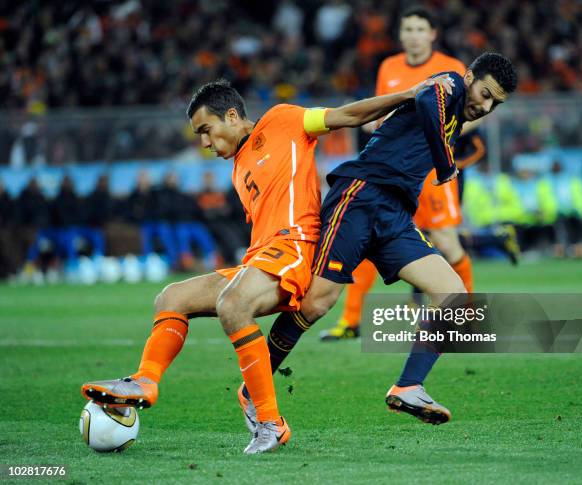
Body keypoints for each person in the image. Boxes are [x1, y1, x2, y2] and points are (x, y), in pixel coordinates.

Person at [80, 76, 453, 453]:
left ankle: (270, 423)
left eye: (207, 131)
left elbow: (347, 115)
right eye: (199, 136)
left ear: (231, 115)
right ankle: (145, 380)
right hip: (262, 257)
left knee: (234, 304)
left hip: (295, 248)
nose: (205, 143)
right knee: (170, 297)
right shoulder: (238, 168)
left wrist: (408, 94)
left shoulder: (283, 120)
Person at [239, 53, 517, 427]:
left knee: (452, 293)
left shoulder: (455, 117)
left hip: (395, 215)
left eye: (494, 103)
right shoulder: (449, 82)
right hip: (360, 196)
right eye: (484, 93)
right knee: (316, 303)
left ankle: (408, 386)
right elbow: (422, 98)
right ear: (469, 77)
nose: (485, 106)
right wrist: (445, 163)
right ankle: (252, 388)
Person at [321, 6, 470, 340]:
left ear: (433, 34)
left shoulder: (452, 70)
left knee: (447, 240)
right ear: (400, 35)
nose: (413, 36)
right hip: (390, 171)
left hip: (431, 168)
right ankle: (350, 321)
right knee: (369, 238)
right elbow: (380, 109)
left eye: (420, 29)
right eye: (408, 29)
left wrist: (444, 147)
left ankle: (465, 314)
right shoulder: (389, 66)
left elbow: (466, 115)